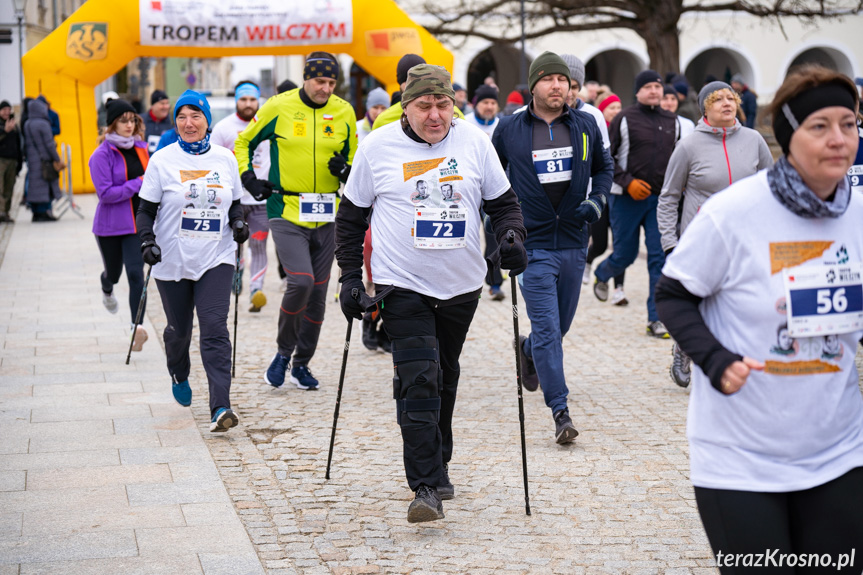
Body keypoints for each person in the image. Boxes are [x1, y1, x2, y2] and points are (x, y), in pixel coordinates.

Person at [655, 65, 863, 572]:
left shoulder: (858, 212)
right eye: (820, 126)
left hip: (838, 451)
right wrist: (715, 360)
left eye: (850, 123)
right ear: (790, 136)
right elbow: (673, 295)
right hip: (740, 460)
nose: (839, 139)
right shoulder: (735, 213)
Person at [335, 63, 527, 522]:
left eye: (443, 104)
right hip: (401, 282)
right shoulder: (378, 147)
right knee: (418, 377)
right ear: (407, 105)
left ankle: (438, 460)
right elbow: (350, 218)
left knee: (444, 373)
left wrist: (512, 238)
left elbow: (504, 205)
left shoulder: (474, 142)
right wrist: (347, 277)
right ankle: (424, 486)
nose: (436, 115)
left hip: (461, 285)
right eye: (425, 105)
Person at [493, 52, 614, 444]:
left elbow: (603, 168)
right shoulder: (509, 129)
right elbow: (490, 180)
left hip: (575, 240)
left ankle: (527, 349)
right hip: (534, 244)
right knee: (548, 328)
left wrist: (597, 201)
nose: (558, 86)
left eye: (563, 81)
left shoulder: (585, 125)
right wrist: (504, 228)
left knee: (557, 329)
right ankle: (560, 410)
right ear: (534, 86)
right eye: (549, 80)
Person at [235, 52, 357, 391]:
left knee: (318, 295)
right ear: (306, 78)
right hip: (286, 210)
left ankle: (301, 364)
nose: (325, 88)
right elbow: (244, 141)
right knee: (300, 283)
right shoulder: (279, 106)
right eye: (320, 81)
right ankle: (282, 353)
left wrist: (345, 170)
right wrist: (249, 178)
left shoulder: (344, 111)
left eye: (331, 83)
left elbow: (355, 160)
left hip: (328, 215)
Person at [136, 89, 248, 433]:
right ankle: (178, 370)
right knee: (179, 332)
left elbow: (236, 203)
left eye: (196, 116)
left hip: (216, 255)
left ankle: (220, 406)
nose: (189, 123)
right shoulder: (163, 160)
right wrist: (147, 242)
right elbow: (145, 210)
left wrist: (239, 222)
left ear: (207, 121)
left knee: (215, 328)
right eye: (182, 117)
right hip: (172, 259)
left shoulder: (224, 159)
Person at [657, 81, 773, 388]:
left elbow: (771, 187)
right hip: (700, 239)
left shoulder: (754, 139)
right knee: (699, 301)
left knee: (741, 302)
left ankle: (739, 360)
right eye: (718, 99)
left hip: (747, 238)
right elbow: (668, 197)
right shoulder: (689, 145)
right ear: (704, 108)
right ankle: (684, 348)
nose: (727, 103)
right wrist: (670, 243)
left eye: (731, 98)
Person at [593, 69, 679, 338]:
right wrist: (628, 182)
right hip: (626, 198)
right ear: (638, 91)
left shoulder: (673, 121)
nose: (654, 91)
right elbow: (608, 158)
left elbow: (677, 161)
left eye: (658, 86)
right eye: (648, 87)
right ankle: (603, 271)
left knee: (658, 258)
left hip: (659, 201)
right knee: (626, 255)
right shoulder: (624, 118)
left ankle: (656, 319)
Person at [89, 99, 151, 350]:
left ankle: (137, 327)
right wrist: (139, 182)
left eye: (132, 119)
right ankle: (106, 286)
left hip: (137, 224)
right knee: (114, 274)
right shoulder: (101, 155)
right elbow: (106, 194)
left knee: (137, 274)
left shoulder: (141, 148)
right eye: (123, 120)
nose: (129, 125)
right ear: (112, 124)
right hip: (110, 226)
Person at [210, 81, 272, 313]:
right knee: (235, 244)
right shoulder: (224, 128)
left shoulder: (267, 125)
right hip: (233, 199)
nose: (248, 104)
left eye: (252, 100)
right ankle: (237, 272)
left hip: (260, 200)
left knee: (258, 244)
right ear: (236, 100)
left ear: (259, 101)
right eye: (243, 99)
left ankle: (256, 290)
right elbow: (213, 161)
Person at [464, 84, 506, 300]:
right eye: (485, 103)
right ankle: (466, 280)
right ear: (476, 104)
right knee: (468, 235)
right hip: (468, 190)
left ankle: (494, 283)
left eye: (492, 103)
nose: (489, 107)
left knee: (492, 236)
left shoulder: (501, 125)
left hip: (492, 191)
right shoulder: (465, 124)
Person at [585, 91, 627, 303]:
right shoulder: (596, 130)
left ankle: (619, 289)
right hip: (601, 194)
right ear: (603, 111)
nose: (617, 112)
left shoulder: (628, 130)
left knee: (621, 245)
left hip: (621, 194)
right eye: (612, 108)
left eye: (619, 108)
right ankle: (588, 260)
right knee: (600, 244)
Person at [373, 54, 465, 130]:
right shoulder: (384, 120)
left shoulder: (455, 115)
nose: (414, 89)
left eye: (420, 83)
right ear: (400, 84)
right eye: (408, 83)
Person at [23, 97, 64, 222]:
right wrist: (57, 159)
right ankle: (44, 211)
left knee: (34, 185)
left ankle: (36, 212)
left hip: (32, 159)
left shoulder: (27, 123)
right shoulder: (43, 124)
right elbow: (49, 145)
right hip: (44, 160)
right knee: (46, 184)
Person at [0, 101, 22, 223]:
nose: (6, 112)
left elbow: (18, 144)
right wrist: (5, 131)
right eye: (4, 110)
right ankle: (1, 212)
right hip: (1, 161)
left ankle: (5, 213)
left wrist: (19, 161)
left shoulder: (14, 125)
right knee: (0, 188)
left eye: (8, 109)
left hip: (12, 161)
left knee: (9, 188)